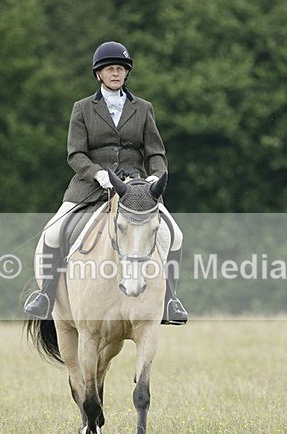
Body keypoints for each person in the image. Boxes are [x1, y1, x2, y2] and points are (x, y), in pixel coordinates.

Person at [23, 41, 188, 325]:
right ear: (99, 74)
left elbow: (156, 152)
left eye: (120, 69)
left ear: (126, 74)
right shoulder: (83, 108)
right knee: (53, 232)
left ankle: (170, 300)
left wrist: (154, 177)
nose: (115, 73)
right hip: (90, 187)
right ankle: (46, 296)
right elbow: (75, 153)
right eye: (110, 69)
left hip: (136, 190)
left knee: (174, 234)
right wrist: (97, 173)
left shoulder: (144, 108)